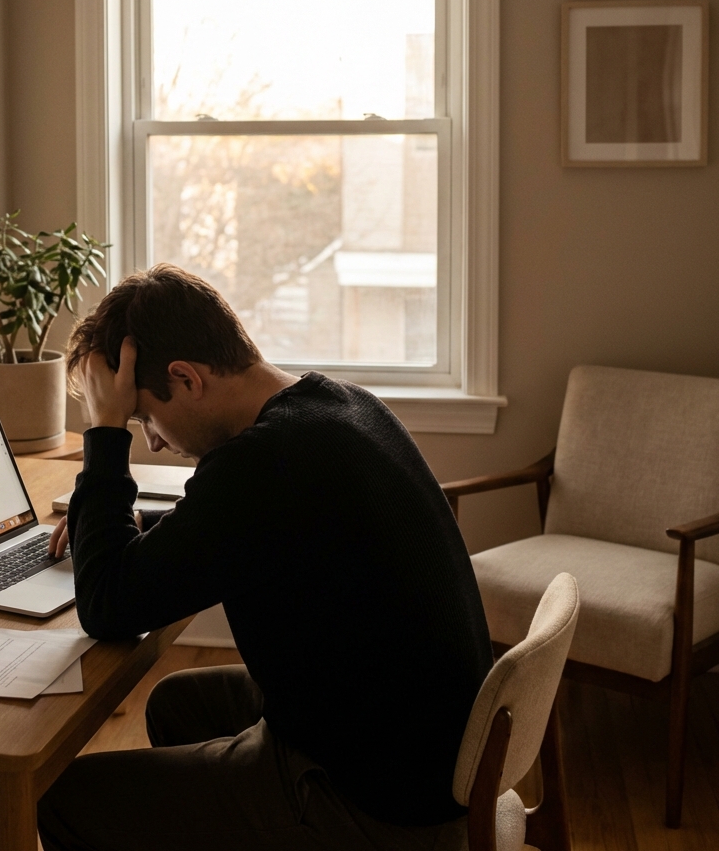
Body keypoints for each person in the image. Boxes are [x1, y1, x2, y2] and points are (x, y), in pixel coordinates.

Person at [39, 264, 492, 851]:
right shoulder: (338, 404)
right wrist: (124, 529)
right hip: (426, 750)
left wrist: (103, 433)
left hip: (383, 807)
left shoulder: (262, 466)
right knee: (177, 706)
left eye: (144, 416)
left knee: (65, 799)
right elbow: (235, 529)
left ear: (186, 378)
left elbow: (107, 605)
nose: (151, 440)